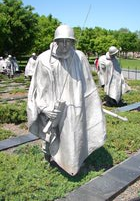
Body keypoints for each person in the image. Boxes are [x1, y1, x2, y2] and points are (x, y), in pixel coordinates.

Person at [27, 24, 106, 176]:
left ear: (73, 42)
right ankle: (48, 158)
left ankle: (75, 162)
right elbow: (40, 88)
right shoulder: (44, 60)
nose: (64, 45)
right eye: (61, 41)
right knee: (51, 133)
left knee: (75, 134)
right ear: (55, 41)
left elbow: (88, 84)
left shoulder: (79, 57)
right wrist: (46, 108)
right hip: (52, 105)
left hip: (75, 106)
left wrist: (89, 104)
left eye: (68, 41)